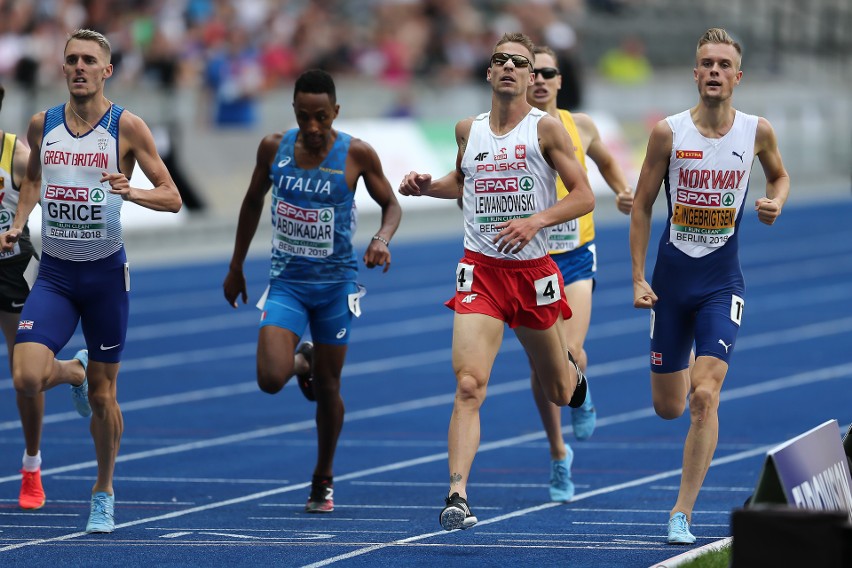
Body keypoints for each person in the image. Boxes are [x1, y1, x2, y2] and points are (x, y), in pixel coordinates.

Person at [399, 32, 594, 531]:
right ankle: (457, 494)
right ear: (489, 73)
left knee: (557, 391)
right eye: (500, 60)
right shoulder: (469, 129)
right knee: (469, 385)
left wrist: (537, 221)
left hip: (532, 274)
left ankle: (577, 380)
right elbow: (461, 184)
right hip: (480, 271)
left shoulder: (547, 130)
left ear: (532, 77)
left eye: (520, 63)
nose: (509, 67)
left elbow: (584, 197)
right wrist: (428, 187)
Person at [0, 29, 183, 533]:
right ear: (63, 69)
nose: (79, 67)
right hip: (55, 274)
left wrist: (134, 192)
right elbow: (33, 179)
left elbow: (173, 197)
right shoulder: (43, 125)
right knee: (26, 375)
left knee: (105, 397)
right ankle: (73, 373)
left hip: (104, 275)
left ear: (107, 71)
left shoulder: (128, 127)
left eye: (89, 61)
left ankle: (103, 490)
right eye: (71, 60)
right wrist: (19, 222)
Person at [629, 28, 789, 544]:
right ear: (695, 73)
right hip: (672, 283)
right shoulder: (668, 133)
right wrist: (636, 277)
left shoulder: (756, 131)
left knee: (704, 395)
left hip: (723, 282)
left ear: (737, 77)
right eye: (707, 63)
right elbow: (641, 204)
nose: (715, 71)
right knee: (669, 406)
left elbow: (779, 176)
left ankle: (682, 512)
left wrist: (774, 201)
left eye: (724, 64)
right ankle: (674, 378)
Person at [223, 68, 402, 514]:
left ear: (336, 111)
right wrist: (236, 265)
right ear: (294, 113)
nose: (314, 127)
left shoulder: (356, 154)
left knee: (328, 386)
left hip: (335, 288)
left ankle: (323, 476)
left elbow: (391, 205)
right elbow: (251, 202)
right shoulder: (273, 148)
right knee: (269, 379)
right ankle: (300, 357)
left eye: (322, 116)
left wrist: (381, 240)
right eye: (304, 117)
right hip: (286, 284)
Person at [525, 45, 634, 502]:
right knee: (543, 366)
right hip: (531, 258)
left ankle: (580, 390)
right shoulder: (513, 133)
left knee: (571, 351)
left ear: (559, 80)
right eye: (533, 73)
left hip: (575, 255)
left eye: (548, 72)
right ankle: (557, 454)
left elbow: (607, 162)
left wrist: (622, 190)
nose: (540, 80)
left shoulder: (581, 126)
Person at [0, 83, 92, 512]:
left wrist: (19, 222)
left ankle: (31, 464)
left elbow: (38, 183)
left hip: (11, 270)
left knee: (23, 371)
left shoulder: (15, 154)